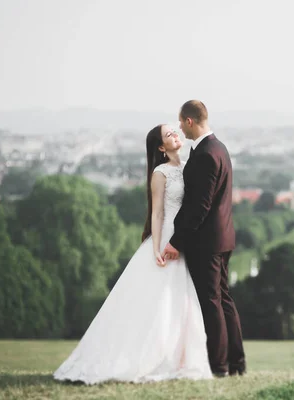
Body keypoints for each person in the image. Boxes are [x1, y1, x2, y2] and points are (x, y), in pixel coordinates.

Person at [53, 124, 212, 384]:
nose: (175, 134)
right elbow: (158, 213)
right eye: (168, 134)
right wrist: (157, 247)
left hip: (187, 241)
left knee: (182, 300)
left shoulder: (189, 166)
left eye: (174, 130)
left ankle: (181, 359)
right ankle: (153, 358)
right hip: (168, 240)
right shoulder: (160, 173)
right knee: (159, 300)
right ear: (161, 147)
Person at [162, 100, 246, 377]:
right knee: (224, 302)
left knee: (211, 304)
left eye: (180, 123)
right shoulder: (219, 148)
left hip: (207, 242)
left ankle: (220, 367)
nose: (180, 131)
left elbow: (200, 206)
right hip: (223, 237)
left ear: (189, 121)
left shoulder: (206, 154)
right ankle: (236, 364)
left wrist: (177, 241)